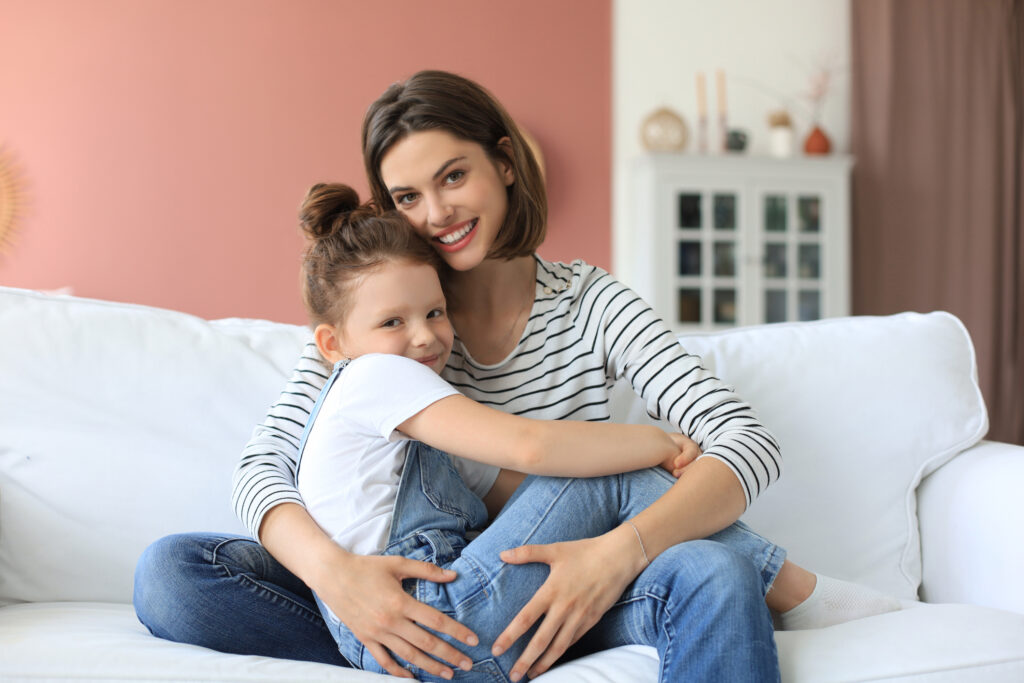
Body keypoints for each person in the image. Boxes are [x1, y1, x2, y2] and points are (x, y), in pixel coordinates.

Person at [133, 70, 900, 681]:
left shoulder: (591, 303)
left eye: (454, 176)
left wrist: (620, 551)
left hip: (566, 582)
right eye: (407, 196)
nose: (435, 212)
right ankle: (413, 642)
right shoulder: (381, 334)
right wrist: (342, 579)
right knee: (173, 573)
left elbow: (743, 441)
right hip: (407, 590)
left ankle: (466, 646)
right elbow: (263, 469)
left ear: (505, 163)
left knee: (709, 569)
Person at [294, 183, 768, 680]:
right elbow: (532, 448)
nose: (425, 336)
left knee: (709, 572)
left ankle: (754, 575)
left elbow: (523, 497)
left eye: (435, 312)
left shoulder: (425, 433)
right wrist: (657, 443)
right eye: (393, 321)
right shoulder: (373, 376)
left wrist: (607, 548)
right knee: (598, 476)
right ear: (332, 343)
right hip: (428, 614)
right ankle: (787, 583)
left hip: (447, 636)